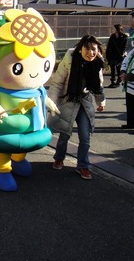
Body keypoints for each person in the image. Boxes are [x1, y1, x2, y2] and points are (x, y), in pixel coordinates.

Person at [48, 35, 106, 180]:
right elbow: (57, 82)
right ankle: (59, 157)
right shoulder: (70, 58)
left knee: (85, 136)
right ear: (80, 49)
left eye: (94, 49)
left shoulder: (97, 62)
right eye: (88, 49)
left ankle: (83, 166)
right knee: (64, 133)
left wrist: (100, 102)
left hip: (84, 101)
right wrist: (51, 102)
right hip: (68, 98)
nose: (91, 53)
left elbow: (98, 85)